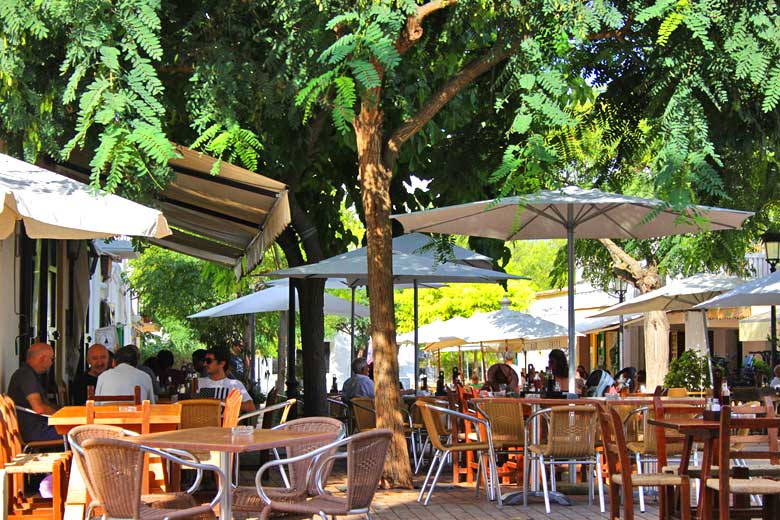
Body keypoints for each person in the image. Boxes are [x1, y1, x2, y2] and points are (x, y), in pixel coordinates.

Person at [7, 342, 60, 442]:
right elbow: (39, 408)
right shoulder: (26, 375)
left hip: (36, 427)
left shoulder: (28, 374)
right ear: (42, 359)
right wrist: (62, 416)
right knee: (80, 433)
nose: (52, 363)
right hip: (35, 431)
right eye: (51, 359)